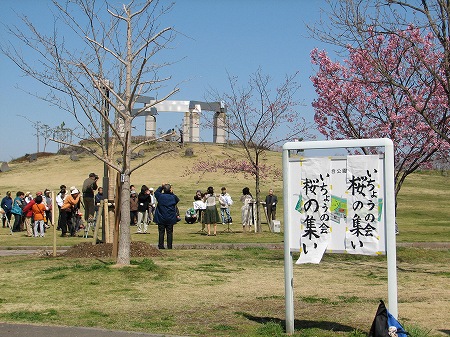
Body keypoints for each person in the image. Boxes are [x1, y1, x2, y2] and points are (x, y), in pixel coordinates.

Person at [154, 183, 179, 249]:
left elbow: (156, 192)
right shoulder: (173, 197)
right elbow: (177, 200)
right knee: (169, 233)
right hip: (170, 218)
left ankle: (161, 246)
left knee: (161, 232)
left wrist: (161, 187)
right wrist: (171, 193)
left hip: (161, 217)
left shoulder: (160, 196)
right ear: (170, 190)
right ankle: (169, 246)